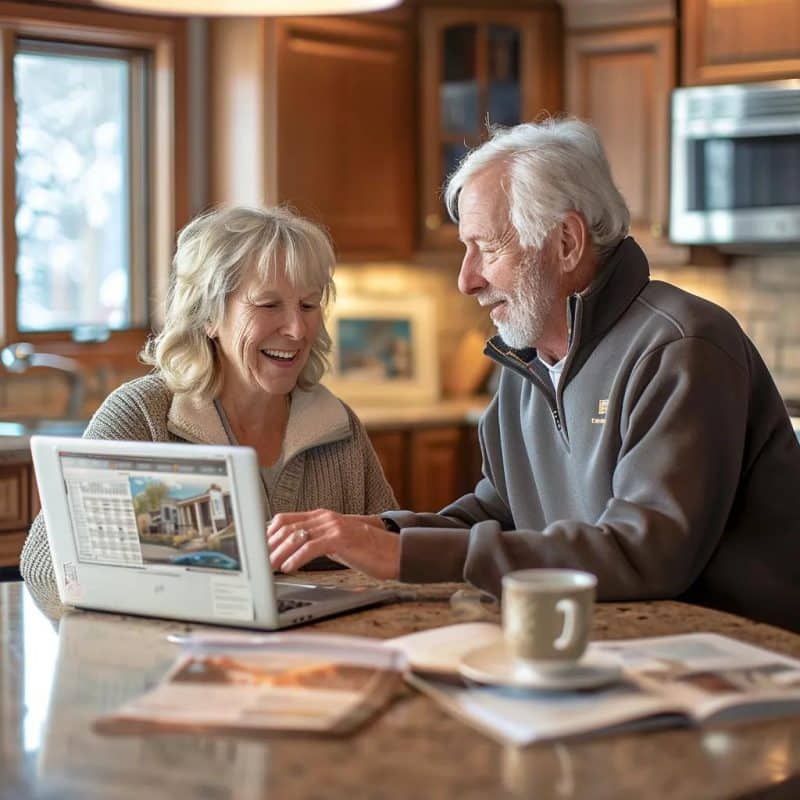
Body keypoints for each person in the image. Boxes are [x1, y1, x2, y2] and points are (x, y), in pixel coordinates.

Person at [267, 118, 800, 632]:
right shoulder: (527, 357)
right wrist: (381, 530)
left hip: (735, 658)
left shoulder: (680, 346)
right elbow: (503, 512)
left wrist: (404, 554)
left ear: (566, 242)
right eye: (464, 249)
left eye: (489, 247)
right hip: (613, 640)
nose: (466, 279)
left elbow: (646, 553)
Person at [21, 205, 397, 586]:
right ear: (208, 316)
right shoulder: (142, 415)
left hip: (325, 642)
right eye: (268, 305)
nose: (298, 330)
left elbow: (394, 554)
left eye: (308, 305)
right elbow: (43, 567)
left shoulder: (336, 424)